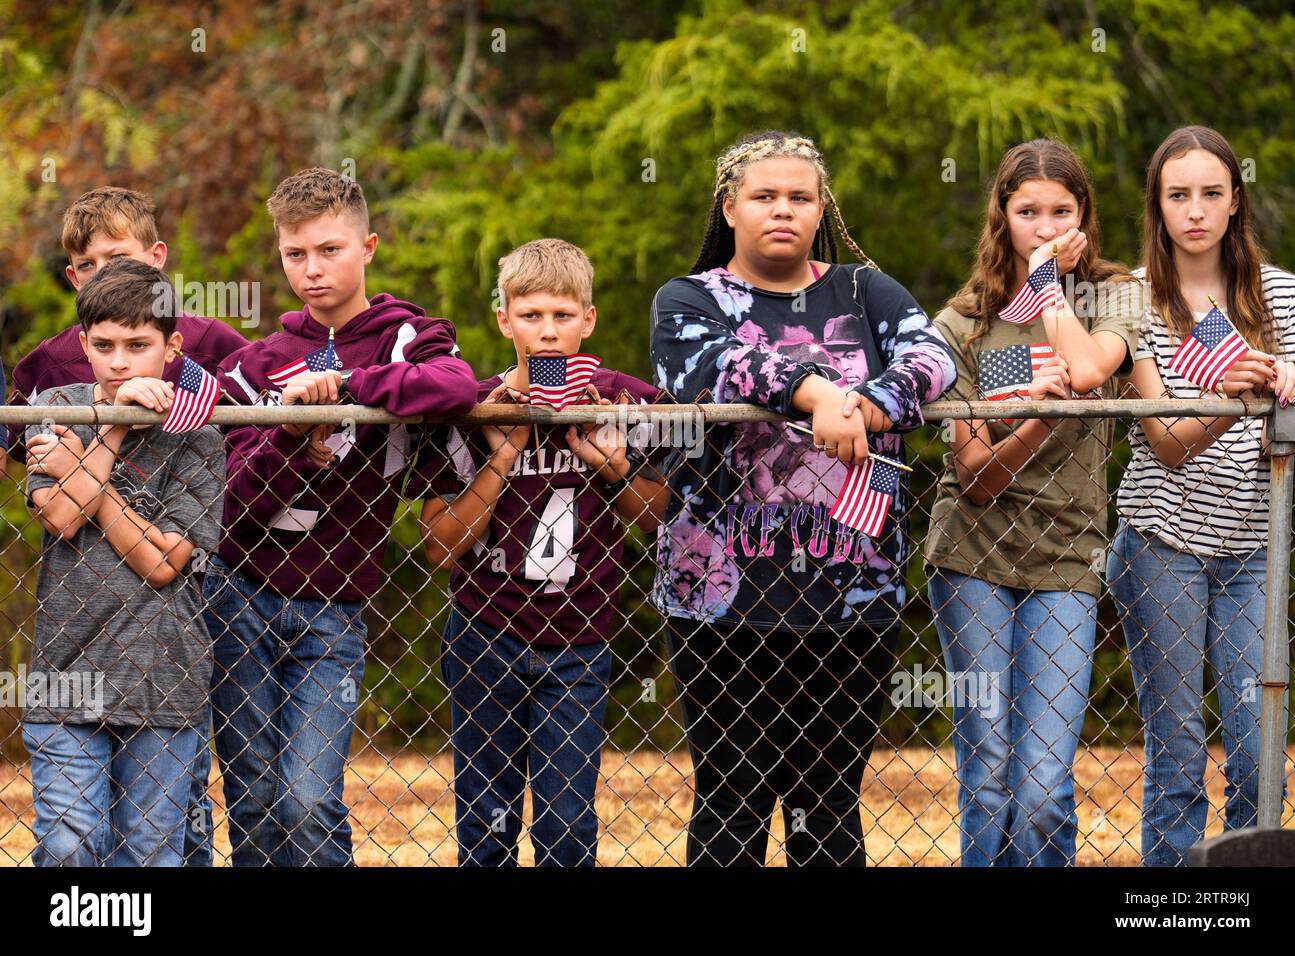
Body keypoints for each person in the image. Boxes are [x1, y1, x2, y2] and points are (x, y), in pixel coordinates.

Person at [651, 130, 956, 866]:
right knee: (732, 795)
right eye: (764, 196)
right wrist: (818, 392)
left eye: (799, 197)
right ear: (729, 208)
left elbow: (934, 356)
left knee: (829, 801)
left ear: (822, 209)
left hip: (852, 592)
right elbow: (710, 364)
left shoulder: (864, 289)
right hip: (723, 599)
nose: (781, 210)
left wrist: (867, 404)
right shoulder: (690, 298)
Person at [205, 167, 477, 865]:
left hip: (333, 610)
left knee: (307, 801)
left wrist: (352, 386)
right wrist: (293, 436)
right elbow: (230, 506)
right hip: (240, 597)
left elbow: (454, 388)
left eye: (330, 250)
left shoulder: (406, 338)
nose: (312, 270)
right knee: (257, 804)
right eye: (296, 255)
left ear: (369, 247)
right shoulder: (256, 364)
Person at [7, 186, 248, 865]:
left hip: (162, 677)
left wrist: (90, 471)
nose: (120, 362)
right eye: (105, 345)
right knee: (70, 845)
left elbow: (162, 562)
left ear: (171, 348)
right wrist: (108, 428)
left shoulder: (198, 432)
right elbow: (58, 515)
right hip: (65, 672)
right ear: (83, 344)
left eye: (138, 346)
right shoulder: (54, 403)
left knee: (150, 855)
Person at [924, 139, 1142, 866]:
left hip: (1068, 557)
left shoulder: (1114, 297)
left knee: (1045, 785)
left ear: (1085, 216)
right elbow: (978, 476)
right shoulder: (960, 326)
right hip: (974, 555)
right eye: (1028, 212)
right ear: (1001, 215)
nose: (1044, 226)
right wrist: (1042, 417)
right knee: (989, 773)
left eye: (1061, 211)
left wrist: (1050, 281)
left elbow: (1085, 367)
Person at [415, 238, 667, 865]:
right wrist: (502, 452)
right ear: (504, 320)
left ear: (590, 319)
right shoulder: (474, 407)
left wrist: (614, 467)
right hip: (485, 630)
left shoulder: (623, 401)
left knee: (565, 829)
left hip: (582, 636)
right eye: (531, 316)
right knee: (485, 828)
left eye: (562, 316)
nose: (548, 334)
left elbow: (662, 517)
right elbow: (440, 547)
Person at [1107, 125, 1295, 866]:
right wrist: (1231, 395)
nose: (1194, 210)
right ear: (1157, 206)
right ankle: (1178, 907)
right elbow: (1165, 443)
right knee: (1179, 751)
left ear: (1234, 201)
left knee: (1259, 751)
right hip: (1162, 545)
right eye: (1177, 194)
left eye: (1210, 193)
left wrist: (1288, 385)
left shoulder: (1281, 294)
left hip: (1253, 549)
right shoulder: (1132, 300)